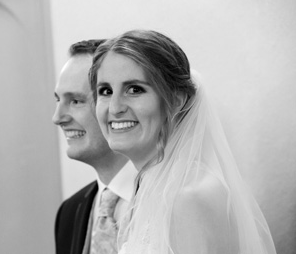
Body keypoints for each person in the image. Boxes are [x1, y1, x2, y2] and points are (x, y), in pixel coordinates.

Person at [89, 30, 277, 254]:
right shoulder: (152, 188)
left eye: (135, 89)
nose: (115, 107)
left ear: (176, 101)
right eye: (106, 91)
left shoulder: (188, 198)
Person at [53, 39, 138, 254]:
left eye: (76, 101)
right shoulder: (69, 213)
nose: (57, 117)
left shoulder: (171, 201)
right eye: (58, 100)